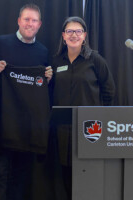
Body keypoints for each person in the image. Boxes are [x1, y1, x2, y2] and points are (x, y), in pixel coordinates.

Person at [0, 3, 53, 200]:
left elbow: (42, 87)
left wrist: (49, 78)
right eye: (26, 19)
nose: (30, 23)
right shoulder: (1, 43)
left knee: (21, 177)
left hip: (28, 128)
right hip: (2, 122)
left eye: (34, 20)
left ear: (40, 24)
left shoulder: (43, 52)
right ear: (19, 21)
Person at [50, 16, 116, 198]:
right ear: (63, 36)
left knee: (89, 173)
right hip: (63, 130)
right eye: (69, 31)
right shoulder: (56, 62)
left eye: (78, 31)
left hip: (90, 128)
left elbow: (109, 91)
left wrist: (99, 115)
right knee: (66, 175)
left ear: (84, 35)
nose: (74, 35)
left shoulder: (95, 60)